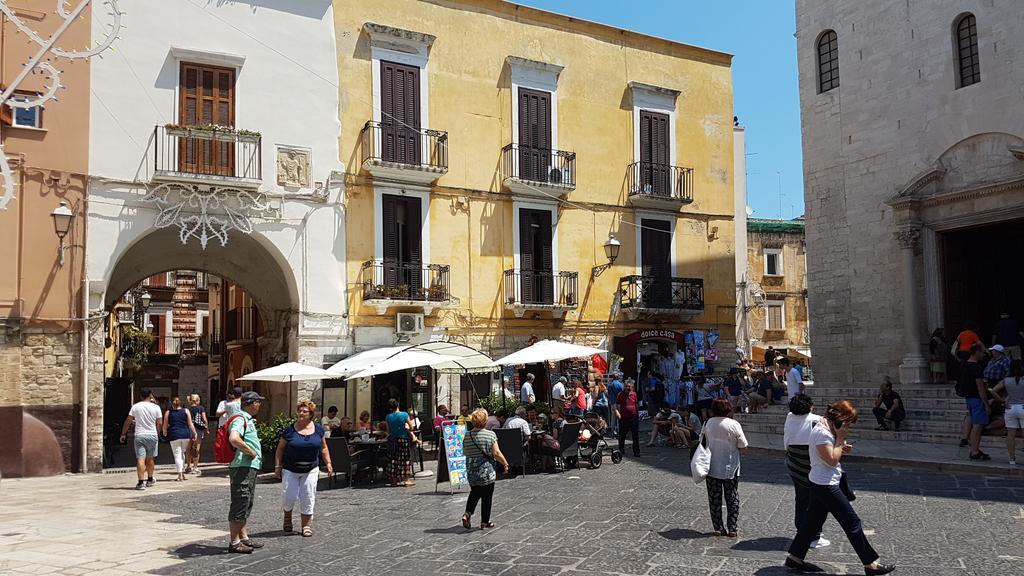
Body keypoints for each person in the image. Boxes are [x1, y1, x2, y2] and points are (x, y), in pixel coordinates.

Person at [784, 401, 896, 575]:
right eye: (849, 423)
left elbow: (829, 454)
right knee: (852, 522)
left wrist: (840, 445)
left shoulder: (826, 428)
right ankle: (870, 564)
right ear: (842, 420)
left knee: (811, 523)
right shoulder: (821, 432)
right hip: (825, 485)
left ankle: (794, 558)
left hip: (821, 482)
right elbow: (831, 460)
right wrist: (841, 438)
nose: (849, 427)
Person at [274, 400, 332, 537]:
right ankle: (287, 517)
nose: (301, 413)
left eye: (304, 411)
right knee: (289, 496)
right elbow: (280, 449)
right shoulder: (289, 430)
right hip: (290, 468)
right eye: (299, 410)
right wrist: (277, 466)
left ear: (310, 414)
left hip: (311, 468)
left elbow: (323, 447)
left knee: (308, 495)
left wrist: (328, 463)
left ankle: (306, 525)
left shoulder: (318, 429)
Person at [784, 394, 829, 550]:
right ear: (810, 406)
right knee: (816, 502)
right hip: (811, 466)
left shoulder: (789, 418)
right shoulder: (816, 421)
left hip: (794, 465)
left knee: (801, 499)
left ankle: (801, 530)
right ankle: (814, 534)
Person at [227, 391, 266, 554]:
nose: (260, 405)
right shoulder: (239, 418)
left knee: (246, 501)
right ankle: (234, 542)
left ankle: (243, 537)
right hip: (242, 466)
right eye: (259, 402)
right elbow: (234, 438)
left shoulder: (246, 418)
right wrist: (250, 451)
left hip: (248, 467)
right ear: (253, 403)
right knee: (240, 501)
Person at [703, 399, 748, 537]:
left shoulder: (708, 423)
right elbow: (743, 446)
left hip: (711, 466)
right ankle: (732, 527)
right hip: (730, 466)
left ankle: (718, 527)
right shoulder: (733, 424)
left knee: (714, 498)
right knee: (732, 497)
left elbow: (702, 442)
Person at [461, 409, 509, 530]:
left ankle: (468, 513)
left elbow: (465, 451)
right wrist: (505, 463)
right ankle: (485, 522)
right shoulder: (490, 434)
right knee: (487, 496)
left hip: (471, 470)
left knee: (475, 492)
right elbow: (496, 452)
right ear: (485, 421)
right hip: (486, 471)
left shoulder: (467, 435)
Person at [119, 389, 164, 490]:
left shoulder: (136, 407)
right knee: (150, 458)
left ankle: (140, 482)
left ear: (140, 396)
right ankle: (150, 478)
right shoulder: (156, 407)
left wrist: (123, 434)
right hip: (152, 435)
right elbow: (160, 423)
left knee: (140, 458)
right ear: (150, 395)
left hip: (139, 435)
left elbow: (128, 421)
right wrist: (158, 432)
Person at [959, 344, 992, 460]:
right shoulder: (976, 367)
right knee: (977, 426)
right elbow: (980, 387)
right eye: (982, 352)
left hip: (969, 398)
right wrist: (986, 404)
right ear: (977, 352)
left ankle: (975, 448)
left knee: (975, 424)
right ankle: (974, 451)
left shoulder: (964, 365)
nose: (983, 355)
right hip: (977, 399)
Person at [991, 359, 1024, 466]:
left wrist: (1002, 401)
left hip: (1010, 408)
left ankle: (1011, 458)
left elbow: (993, 390)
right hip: (1022, 407)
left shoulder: (1006, 380)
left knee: (1011, 434)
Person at [385, 398, 420, 487]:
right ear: (398, 405)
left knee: (393, 460)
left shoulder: (388, 417)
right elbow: (411, 427)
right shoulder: (404, 415)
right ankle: (406, 480)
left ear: (390, 408)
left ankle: (394, 481)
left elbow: (388, 431)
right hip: (403, 439)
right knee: (405, 459)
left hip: (392, 440)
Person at [162, 396, 198, 482]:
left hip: (174, 435)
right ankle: (182, 473)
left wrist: (164, 433)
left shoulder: (168, 412)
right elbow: (190, 424)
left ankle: (180, 475)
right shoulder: (186, 411)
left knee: (177, 454)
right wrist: (195, 433)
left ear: (172, 404)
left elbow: (165, 425)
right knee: (182, 453)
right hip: (185, 435)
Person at [615, 378, 641, 457]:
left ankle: (636, 451)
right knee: (622, 434)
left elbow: (636, 404)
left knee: (635, 435)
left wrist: (637, 414)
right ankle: (621, 449)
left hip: (633, 417)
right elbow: (617, 406)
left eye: (629, 386)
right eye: (626, 386)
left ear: (632, 387)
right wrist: (618, 414)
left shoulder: (634, 394)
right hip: (624, 417)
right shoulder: (620, 394)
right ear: (624, 386)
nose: (628, 388)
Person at [186, 394, 208, 475]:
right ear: (198, 400)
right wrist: (207, 427)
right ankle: (195, 467)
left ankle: (188, 466)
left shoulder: (187, 409)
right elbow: (204, 419)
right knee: (197, 448)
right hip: (198, 429)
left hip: (189, 429)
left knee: (188, 448)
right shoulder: (201, 408)